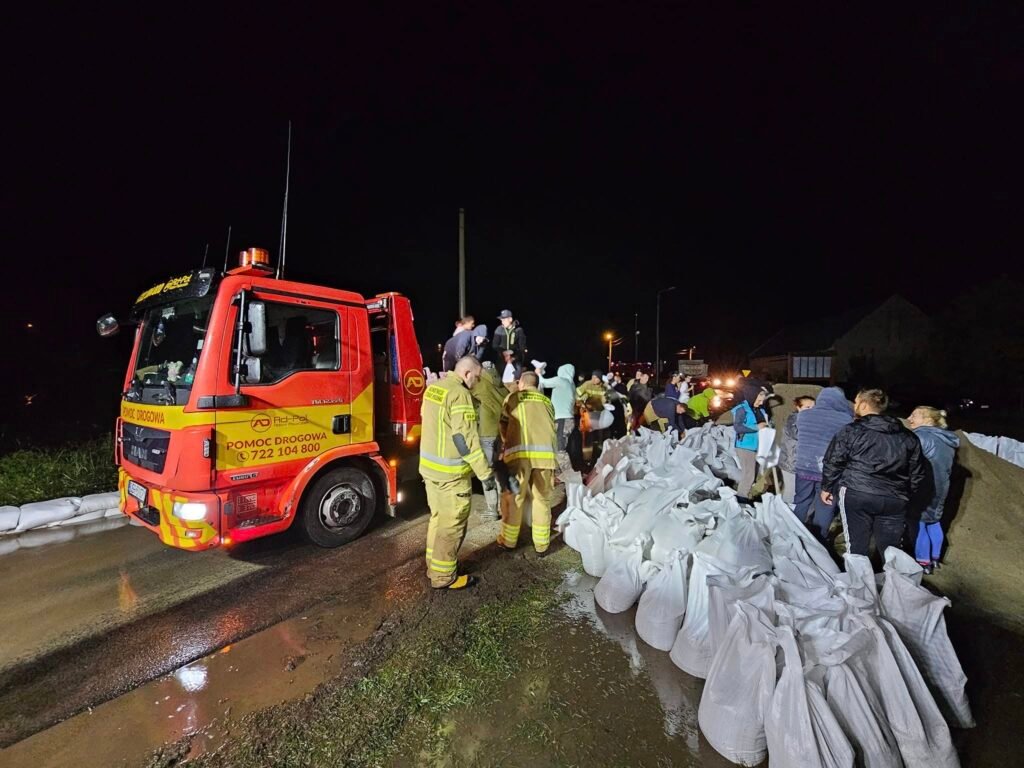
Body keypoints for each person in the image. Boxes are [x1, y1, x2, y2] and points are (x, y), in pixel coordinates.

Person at [820, 388, 926, 562]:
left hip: (857, 492)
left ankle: (859, 585)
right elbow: (917, 472)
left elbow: (834, 460)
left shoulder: (852, 430)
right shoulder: (908, 437)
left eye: (855, 401)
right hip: (895, 498)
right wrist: (906, 493)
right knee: (891, 550)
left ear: (863, 404)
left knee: (856, 546)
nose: (854, 405)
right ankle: (894, 586)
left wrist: (827, 487)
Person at [419, 356, 497, 589]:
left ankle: (433, 565)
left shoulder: (434, 389)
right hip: (451, 474)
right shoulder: (460, 394)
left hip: (430, 470)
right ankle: (443, 577)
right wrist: (485, 474)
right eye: (477, 377)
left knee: (437, 518)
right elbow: (465, 441)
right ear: (468, 373)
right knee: (452, 524)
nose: (477, 382)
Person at [497, 372, 558, 555]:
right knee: (542, 498)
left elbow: (503, 424)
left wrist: (506, 444)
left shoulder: (513, 397)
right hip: (545, 456)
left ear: (521, 383)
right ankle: (541, 544)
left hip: (519, 454)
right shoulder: (547, 401)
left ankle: (508, 541)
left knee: (514, 498)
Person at [793, 387, 853, 540]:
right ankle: (819, 539)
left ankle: (793, 533)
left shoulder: (804, 416)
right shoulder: (845, 420)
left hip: (804, 466)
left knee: (801, 500)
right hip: (828, 471)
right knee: (826, 504)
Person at [907, 406, 960, 573]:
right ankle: (935, 558)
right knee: (933, 521)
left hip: (922, 488)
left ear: (928, 420)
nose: (909, 418)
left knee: (917, 521)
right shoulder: (947, 440)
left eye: (914, 415)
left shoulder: (920, 436)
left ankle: (923, 562)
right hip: (941, 487)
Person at [471, 362, 510, 520]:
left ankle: (492, 510)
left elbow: (465, 390)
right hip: (500, 433)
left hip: (486, 433)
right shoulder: (502, 387)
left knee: (486, 472)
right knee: (498, 470)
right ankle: (503, 506)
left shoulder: (481, 386)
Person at [730, 382, 770, 497]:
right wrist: (756, 427)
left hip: (758, 446)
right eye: (759, 400)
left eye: (762, 400)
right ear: (752, 397)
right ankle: (741, 498)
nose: (761, 403)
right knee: (749, 475)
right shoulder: (741, 409)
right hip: (745, 446)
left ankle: (747, 494)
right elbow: (737, 427)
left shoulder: (759, 409)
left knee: (754, 473)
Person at [778, 395, 816, 504]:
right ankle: (785, 516)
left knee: (801, 493)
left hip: (802, 463)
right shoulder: (794, 419)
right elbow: (797, 434)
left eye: (813, 407)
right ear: (799, 408)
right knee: (791, 492)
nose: (811, 410)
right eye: (807, 407)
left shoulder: (809, 421)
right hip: (791, 462)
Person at [537, 362, 577, 465]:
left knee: (560, 448)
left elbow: (543, 383)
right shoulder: (571, 384)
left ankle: (567, 474)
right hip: (567, 419)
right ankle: (562, 473)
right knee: (561, 446)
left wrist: (538, 373)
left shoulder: (561, 381)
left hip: (562, 420)